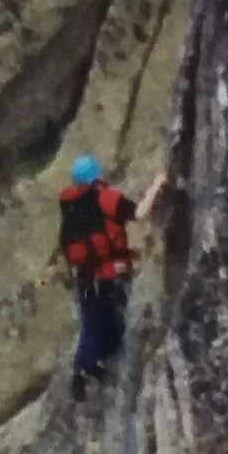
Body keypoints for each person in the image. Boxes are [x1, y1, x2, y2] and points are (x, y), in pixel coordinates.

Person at [57, 153, 169, 401]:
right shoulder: (105, 198)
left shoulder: (73, 207)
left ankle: (88, 367)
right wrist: (157, 184)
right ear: (96, 175)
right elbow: (140, 213)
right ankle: (89, 371)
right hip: (109, 276)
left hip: (85, 277)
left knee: (91, 323)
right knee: (109, 325)